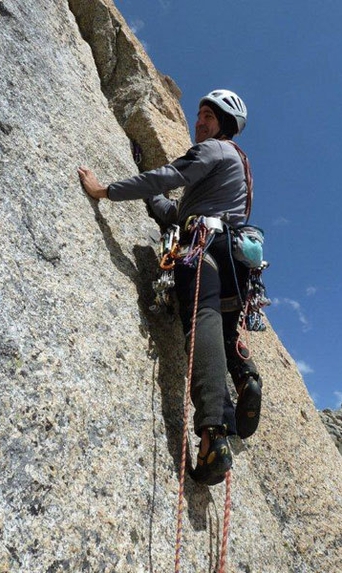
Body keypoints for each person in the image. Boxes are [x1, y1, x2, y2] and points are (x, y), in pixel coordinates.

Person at [78, 89, 262, 486]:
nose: (200, 122)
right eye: (198, 115)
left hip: (205, 247)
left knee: (202, 319)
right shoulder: (236, 171)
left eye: (208, 116)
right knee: (226, 327)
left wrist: (105, 190)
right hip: (233, 258)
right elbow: (175, 213)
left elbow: (170, 175)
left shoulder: (214, 150)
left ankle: (213, 434)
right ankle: (244, 374)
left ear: (225, 125)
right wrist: (155, 201)